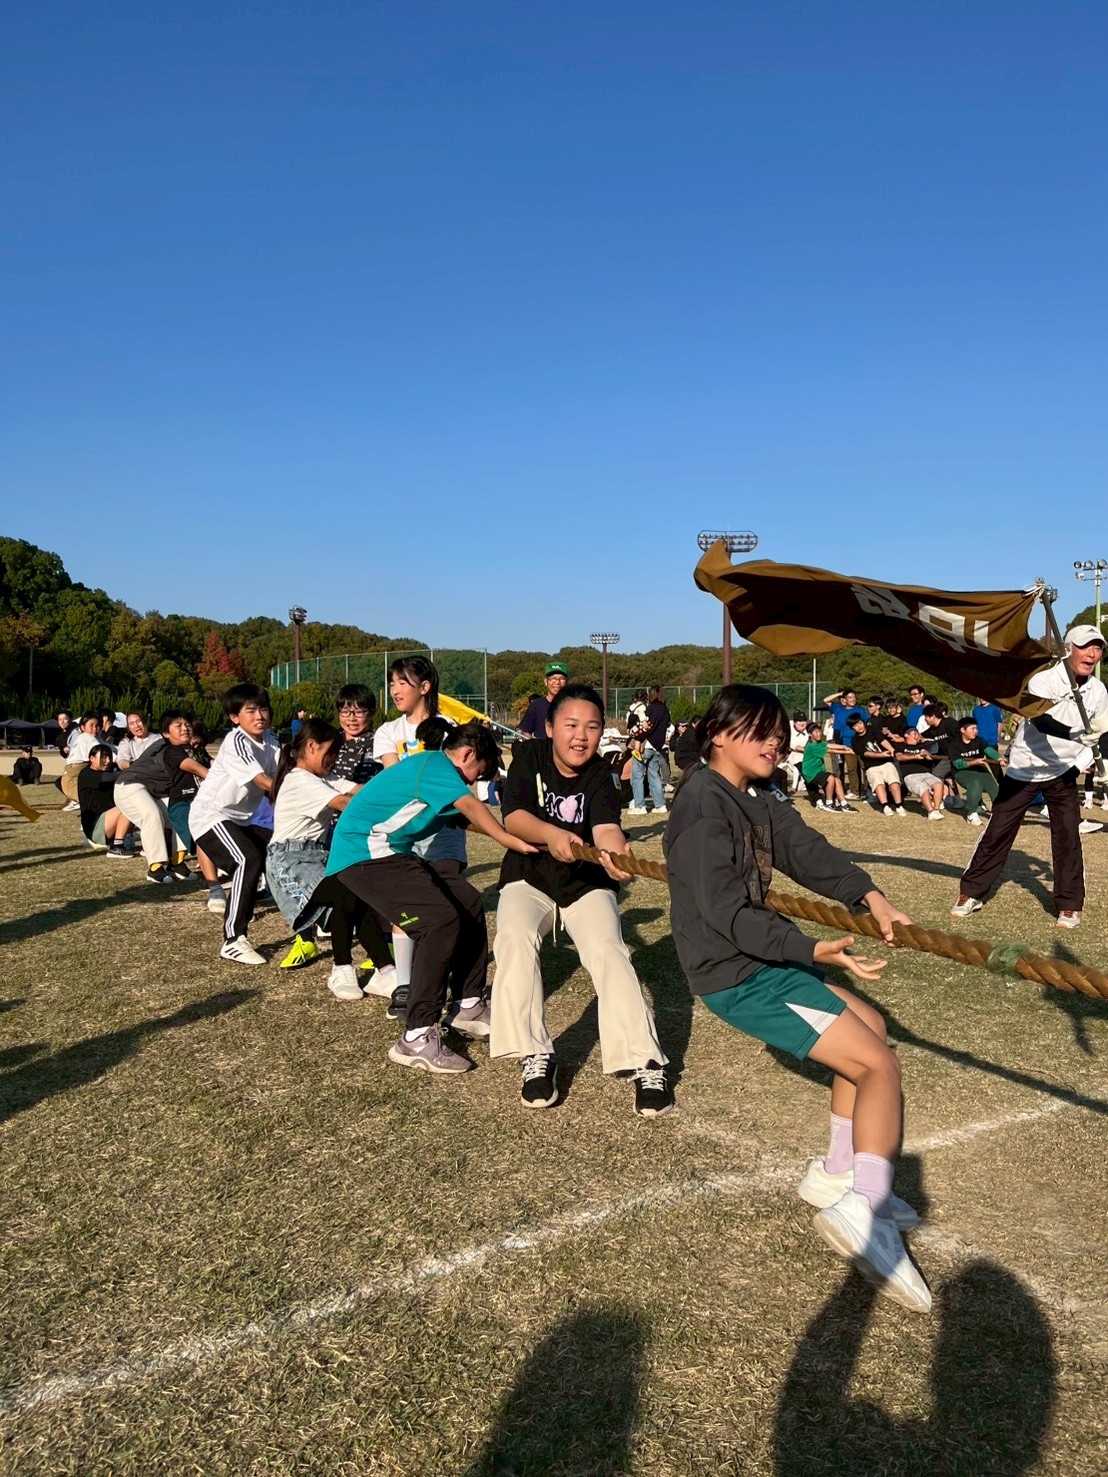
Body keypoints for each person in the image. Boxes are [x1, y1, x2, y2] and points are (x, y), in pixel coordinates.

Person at [663, 685, 929, 1312]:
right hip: (737, 972)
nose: (775, 744)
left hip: (758, 958)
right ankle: (866, 1211)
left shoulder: (754, 795)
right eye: (760, 732)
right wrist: (809, 948)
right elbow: (727, 914)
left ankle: (837, 1171)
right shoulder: (702, 806)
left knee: (869, 1027)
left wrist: (869, 896)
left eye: (779, 734)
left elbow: (806, 849)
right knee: (878, 1065)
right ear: (718, 734)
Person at [490, 683, 673, 1116]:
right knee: (514, 936)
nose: (581, 736)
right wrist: (551, 834)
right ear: (550, 727)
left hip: (586, 883)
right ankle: (535, 1053)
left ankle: (646, 1060)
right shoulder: (528, 757)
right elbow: (514, 817)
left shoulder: (601, 776)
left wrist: (616, 856)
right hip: (529, 876)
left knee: (608, 949)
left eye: (592, 727)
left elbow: (606, 828)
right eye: (571, 725)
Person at [322, 721, 536, 1073]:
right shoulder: (436, 766)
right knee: (438, 921)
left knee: (467, 901)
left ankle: (468, 1004)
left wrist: (525, 835)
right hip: (364, 853)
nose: (473, 783)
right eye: (478, 773)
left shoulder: (436, 774)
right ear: (467, 754)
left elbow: (464, 819)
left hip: (391, 852)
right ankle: (417, 1035)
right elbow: (472, 808)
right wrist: (508, 840)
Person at [952, 625, 1108, 929]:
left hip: (1063, 770)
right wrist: (1074, 734)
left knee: (1068, 836)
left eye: (1097, 647)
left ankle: (1069, 905)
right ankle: (971, 892)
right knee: (998, 831)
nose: (1091, 653)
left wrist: (1080, 764)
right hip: (1025, 768)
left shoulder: (1099, 691)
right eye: (1085, 646)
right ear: (1068, 648)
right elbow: (1040, 721)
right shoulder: (1043, 680)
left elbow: (1101, 734)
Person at [266, 717, 387, 995]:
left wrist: (396, 788)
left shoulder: (322, 777)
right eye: (332, 752)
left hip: (316, 855)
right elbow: (346, 803)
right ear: (311, 746)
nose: (335, 759)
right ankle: (341, 969)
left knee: (357, 898)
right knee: (348, 890)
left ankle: (386, 971)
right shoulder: (299, 780)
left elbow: (359, 791)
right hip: (289, 861)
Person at [188, 684, 281, 963]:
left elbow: (284, 776)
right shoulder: (236, 741)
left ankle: (252, 898)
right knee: (247, 859)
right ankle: (233, 939)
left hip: (242, 819)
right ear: (234, 717)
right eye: (250, 711)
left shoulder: (272, 740)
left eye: (263, 709)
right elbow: (263, 782)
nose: (259, 716)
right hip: (211, 815)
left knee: (280, 847)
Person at [114, 712, 209, 880]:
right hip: (130, 785)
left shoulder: (192, 749)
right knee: (152, 814)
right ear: (166, 733)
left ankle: (177, 862)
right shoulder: (165, 748)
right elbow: (192, 768)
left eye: (187, 725)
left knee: (180, 814)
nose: (185, 729)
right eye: (178, 726)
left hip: (155, 792)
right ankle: (156, 867)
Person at [846, 714, 906, 816]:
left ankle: (899, 805)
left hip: (886, 762)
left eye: (860, 723)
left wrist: (891, 750)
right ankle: (885, 806)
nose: (859, 727)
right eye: (855, 726)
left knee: (894, 781)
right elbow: (866, 754)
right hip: (871, 766)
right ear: (852, 728)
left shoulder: (873, 730)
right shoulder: (855, 740)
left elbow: (882, 740)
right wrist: (881, 754)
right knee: (878, 783)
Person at [949, 717, 1001, 827]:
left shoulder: (979, 740)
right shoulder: (954, 744)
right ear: (963, 730)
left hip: (979, 769)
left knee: (993, 786)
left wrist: (999, 758)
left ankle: (999, 812)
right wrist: (974, 762)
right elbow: (958, 764)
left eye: (976, 728)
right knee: (975, 783)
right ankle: (971, 813)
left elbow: (989, 750)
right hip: (961, 772)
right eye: (972, 728)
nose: (975, 731)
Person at [77, 745, 130, 851]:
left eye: (109, 757)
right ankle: (117, 847)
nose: (107, 761)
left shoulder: (111, 770)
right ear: (92, 758)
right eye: (103, 757)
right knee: (127, 806)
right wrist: (133, 769)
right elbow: (108, 777)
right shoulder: (86, 774)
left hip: (109, 825)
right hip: (95, 828)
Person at [330, 684, 381, 786]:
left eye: (358, 712)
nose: (351, 718)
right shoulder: (330, 741)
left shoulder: (379, 743)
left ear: (372, 714)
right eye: (345, 712)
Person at [820, 689, 865, 798]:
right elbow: (826, 700)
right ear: (844, 700)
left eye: (854, 697)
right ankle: (854, 791)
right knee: (851, 768)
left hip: (861, 742)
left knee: (864, 767)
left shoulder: (860, 710)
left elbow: (867, 723)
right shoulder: (839, 710)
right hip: (847, 744)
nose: (853, 699)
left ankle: (866, 790)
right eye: (850, 697)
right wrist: (840, 694)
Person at [898, 727, 947, 819]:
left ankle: (936, 809)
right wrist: (916, 756)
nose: (917, 736)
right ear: (906, 735)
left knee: (938, 783)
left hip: (926, 773)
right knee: (923, 788)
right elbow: (899, 757)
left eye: (918, 734)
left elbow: (929, 751)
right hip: (911, 775)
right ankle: (931, 812)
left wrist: (926, 753)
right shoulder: (901, 747)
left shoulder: (923, 745)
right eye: (914, 734)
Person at [59, 713, 105, 810]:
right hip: (81, 766)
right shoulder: (87, 737)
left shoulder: (88, 737)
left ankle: (81, 801)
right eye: (91, 725)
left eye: (97, 726)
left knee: (69, 787)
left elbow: (100, 749)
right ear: (83, 727)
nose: (95, 728)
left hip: (77, 767)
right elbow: (103, 748)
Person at [800, 723, 850, 811]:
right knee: (830, 778)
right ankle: (829, 803)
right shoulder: (812, 746)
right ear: (810, 734)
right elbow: (830, 750)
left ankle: (844, 803)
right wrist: (850, 752)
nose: (819, 734)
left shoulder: (819, 743)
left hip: (818, 771)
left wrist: (843, 746)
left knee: (837, 779)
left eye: (819, 731)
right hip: (810, 773)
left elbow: (829, 745)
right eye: (816, 732)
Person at [520, 662, 569, 738]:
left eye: (561, 679)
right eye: (553, 679)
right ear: (546, 682)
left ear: (567, 682)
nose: (557, 682)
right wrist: (533, 743)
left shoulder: (573, 706)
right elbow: (526, 731)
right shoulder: (536, 706)